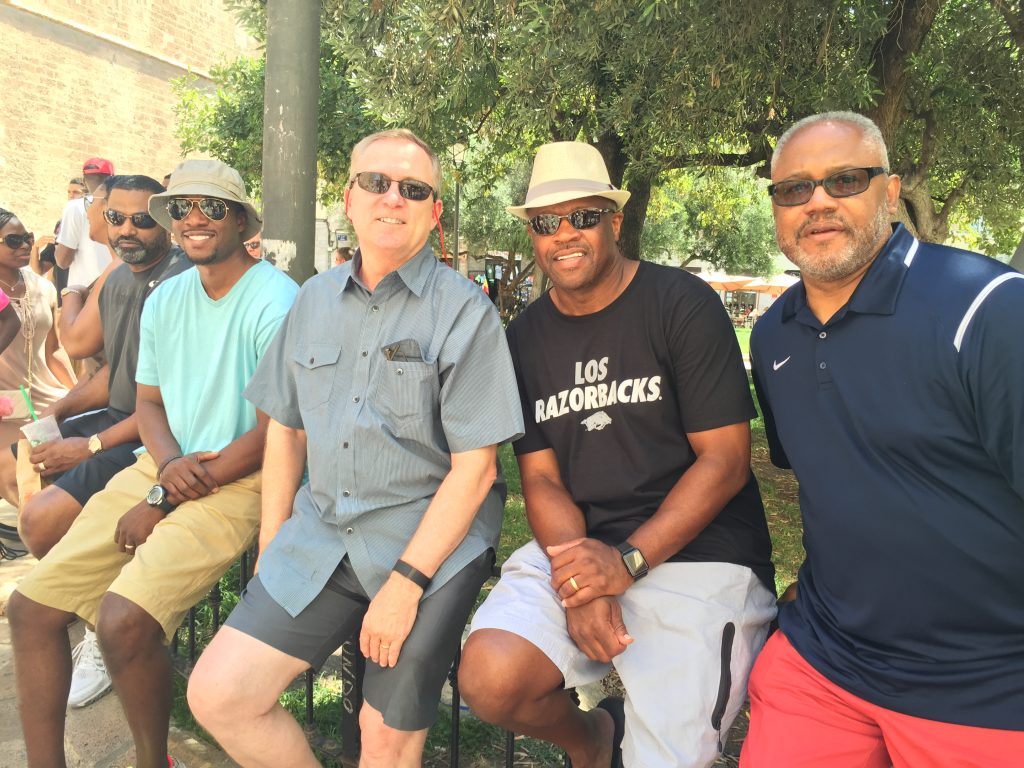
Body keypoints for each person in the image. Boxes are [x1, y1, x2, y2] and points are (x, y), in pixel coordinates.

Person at [186, 129, 524, 768]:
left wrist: (406, 584)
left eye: (413, 189)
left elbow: (476, 470)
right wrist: (272, 540)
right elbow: (287, 428)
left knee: (383, 741)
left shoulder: (465, 312)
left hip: (429, 541)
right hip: (324, 531)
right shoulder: (313, 299)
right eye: (376, 182)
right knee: (219, 695)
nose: (392, 198)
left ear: (433, 211)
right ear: (349, 198)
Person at [458, 142, 776, 768]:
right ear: (532, 234)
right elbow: (542, 479)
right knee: (491, 679)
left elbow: (724, 461)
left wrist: (627, 562)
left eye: (583, 216)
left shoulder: (681, 304)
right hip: (582, 547)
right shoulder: (524, 339)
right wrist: (583, 586)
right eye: (546, 222)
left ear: (615, 221)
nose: (564, 234)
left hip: (700, 555)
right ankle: (594, 741)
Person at [741, 111, 1024, 767]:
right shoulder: (773, 335)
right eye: (794, 188)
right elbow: (828, 477)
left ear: (890, 191)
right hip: (828, 662)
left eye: (844, 179)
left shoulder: (988, 310)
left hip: (988, 683)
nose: (817, 201)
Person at [8, 158, 297, 768]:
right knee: (30, 611)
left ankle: (151, 760)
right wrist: (165, 471)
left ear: (239, 219)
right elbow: (149, 403)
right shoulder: (167, 298)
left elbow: (273, 433)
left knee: (122, 621)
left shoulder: (276, 300)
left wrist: (165, 496)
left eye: (211, 207)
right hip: (162, 464)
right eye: (182, 208)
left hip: (240, 478)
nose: (194, 219)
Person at [0, 208, 76, 448]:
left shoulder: (43, 287)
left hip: (47, 401)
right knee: (16, 466)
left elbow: (53, 350)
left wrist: (76, 394)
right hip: (6, 406)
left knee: (50, 466)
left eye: (28, 238)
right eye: (14, 240)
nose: (25, 245)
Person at [55, 157, 114, 289]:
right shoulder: (122, 205)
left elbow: (63, 261)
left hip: (84, 292)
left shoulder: (75, 207)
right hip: (116, 287)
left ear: (84, 181)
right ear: (112, 178)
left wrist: (57, 248)